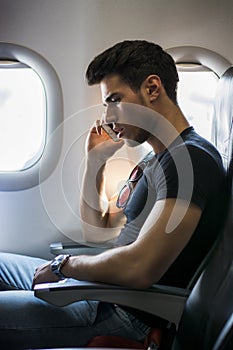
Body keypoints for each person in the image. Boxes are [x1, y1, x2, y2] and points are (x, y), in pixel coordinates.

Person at [0, 40, 226, 348]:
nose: (108, 116)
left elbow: (140, 268)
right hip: (100, 288)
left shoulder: (191, 162)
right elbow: (98, 229)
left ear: (152, 88)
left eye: (115, 100)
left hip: (121, 309)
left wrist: (63, 266)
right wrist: (95, 163)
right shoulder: (156, 159)